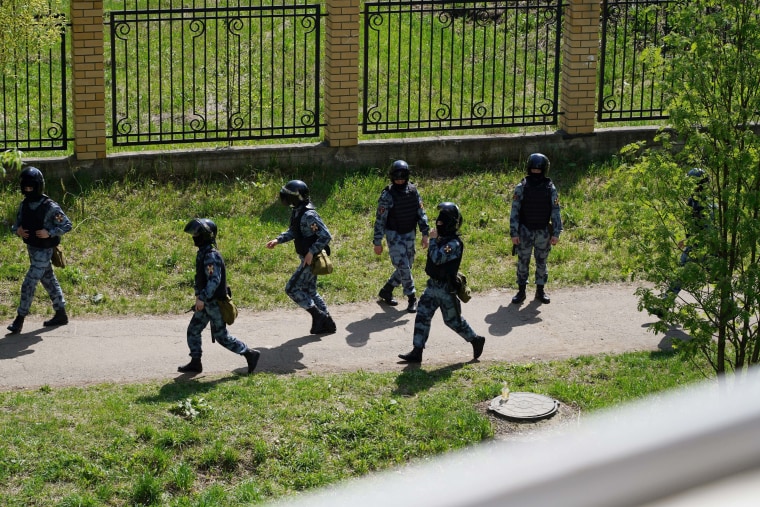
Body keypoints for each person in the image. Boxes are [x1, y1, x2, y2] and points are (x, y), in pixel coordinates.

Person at [398, 202, 485, 364]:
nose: (439, 222)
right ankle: (417, 351)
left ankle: (475, 339)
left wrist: (432, 240)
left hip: (446, 289)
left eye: (443, 220)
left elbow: (437, 258)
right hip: (433, 286)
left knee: (452, 321)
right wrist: (435, 239)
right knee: (423, 315)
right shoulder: (442, 239)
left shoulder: (454, 244)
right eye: (439, 219)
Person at [178, 218, 260, 374]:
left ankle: (249, 353)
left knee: (221, 336)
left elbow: (214, 280)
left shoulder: (211, 256)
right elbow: (200, 278)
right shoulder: (203, 253)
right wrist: (198, 296)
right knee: (193, 330)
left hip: (214, 302)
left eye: (197, 234)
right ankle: (196, 362)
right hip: (206, 301)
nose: (194, 237)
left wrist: (202, 298)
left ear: (206, 236)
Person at [6, 167, 72, 335]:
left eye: (31, 187)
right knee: (48, 279)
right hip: (32, 249)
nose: (28, 190)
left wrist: (49, 232)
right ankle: (61, 313)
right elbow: (16, 224)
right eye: (25, 187)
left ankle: (19, 320)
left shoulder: (50, 206)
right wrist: (18, 230)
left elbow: (66, 225)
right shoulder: (24, 205)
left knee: (28, 284)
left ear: (38, 186)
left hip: (44, 251)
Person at [266, 180, 337, 335]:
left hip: (312, 259)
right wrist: (278, 240)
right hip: (307, 257)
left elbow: (326, 235)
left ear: (295, 198)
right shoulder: (298, 211)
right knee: (310, 290)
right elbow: (294, 231)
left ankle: (319, 316)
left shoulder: (309, 215)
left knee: (291, 288)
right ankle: (328, 323)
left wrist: (311, 252)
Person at [373, 160, 430, 313]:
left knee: (407, 264)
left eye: (402, 178)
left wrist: (425, 233)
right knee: (404, 266)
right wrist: (377, 242)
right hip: (394, 234)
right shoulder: (387, 195)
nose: (400, 181)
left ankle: (387, 289)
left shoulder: (413, 191)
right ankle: (412, 297)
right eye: (397, 178)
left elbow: (420, 213)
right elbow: (380, 220)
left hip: (409, 232)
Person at [509, 153, 563, 305]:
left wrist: (556, 232)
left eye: (538, 171)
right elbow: (515, 211)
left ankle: (540, 290)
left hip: (543, 232)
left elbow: (555, 210)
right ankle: (521, 291)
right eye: (533, 171)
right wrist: (514, 232)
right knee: (522, 262)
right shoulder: (522, 187)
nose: (536, 174)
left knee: (541, 262)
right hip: (525, 230)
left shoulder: (550, 188)